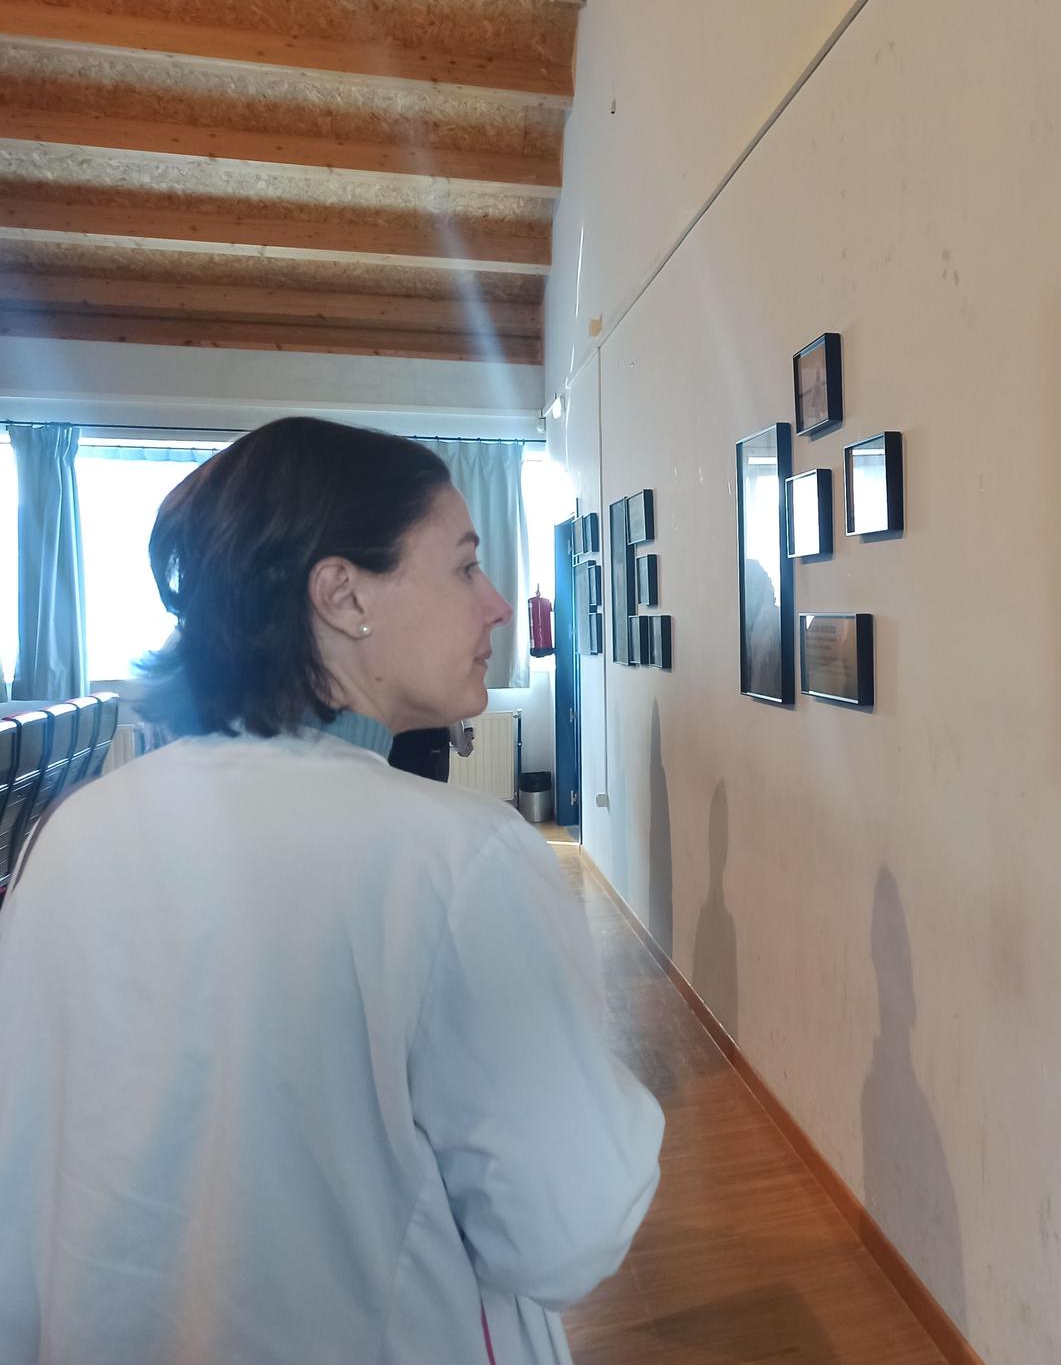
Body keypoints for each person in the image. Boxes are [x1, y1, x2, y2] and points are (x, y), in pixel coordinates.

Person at [0, 417, 663, 1364]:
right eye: (464, 566)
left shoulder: (75, 835)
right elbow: (566, 1230)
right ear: (343, 593)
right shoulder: (457, 860)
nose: (499, 604)